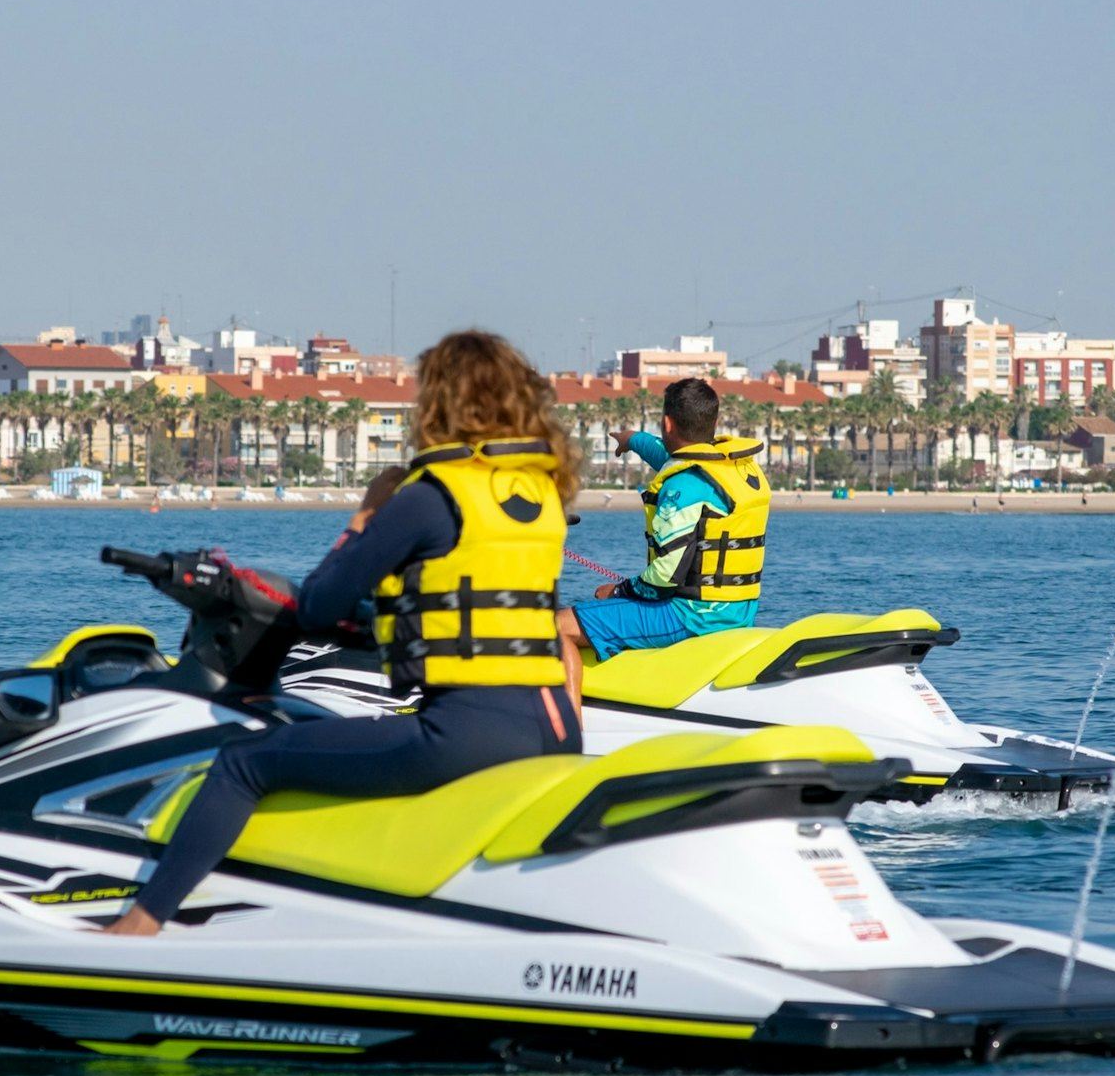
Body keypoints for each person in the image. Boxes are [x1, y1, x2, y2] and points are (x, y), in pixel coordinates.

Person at [106, 330, 582, 935]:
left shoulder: (431, 496)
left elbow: (319, 604)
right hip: (552, 726)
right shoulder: (542, 494)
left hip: (465, 731)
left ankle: (140, 925)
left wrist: (365, 514)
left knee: (244, 763)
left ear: (442, 402)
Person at [556, 378, 770, 719]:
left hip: (690, 616)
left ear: (667, 423)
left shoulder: (680, 488)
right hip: (738, 610)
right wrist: (634, 441)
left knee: (558, 626)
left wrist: (619, 590)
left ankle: (567, 731)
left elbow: (665, 576)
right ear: (712, 422)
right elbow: (671, 457)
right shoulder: (735, 468)